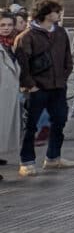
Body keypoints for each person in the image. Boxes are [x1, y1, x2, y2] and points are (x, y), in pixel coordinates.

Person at [13, 0, 74, 177]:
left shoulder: (61, 32)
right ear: (47, 14)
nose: (58, 14)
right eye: (56, 11)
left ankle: (53, 157)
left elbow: (67, 58)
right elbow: (22, 64)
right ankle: (27, 161)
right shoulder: (27, 36)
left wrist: (63, 77)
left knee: (59, 121)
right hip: (37, 88)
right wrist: (30, 85)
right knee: (31, 126)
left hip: (58, 86)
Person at [0, 11, 22, 178]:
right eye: (2, 25)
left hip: (8, 93)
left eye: (9, 25)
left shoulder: (13, 45)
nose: (6, 28)